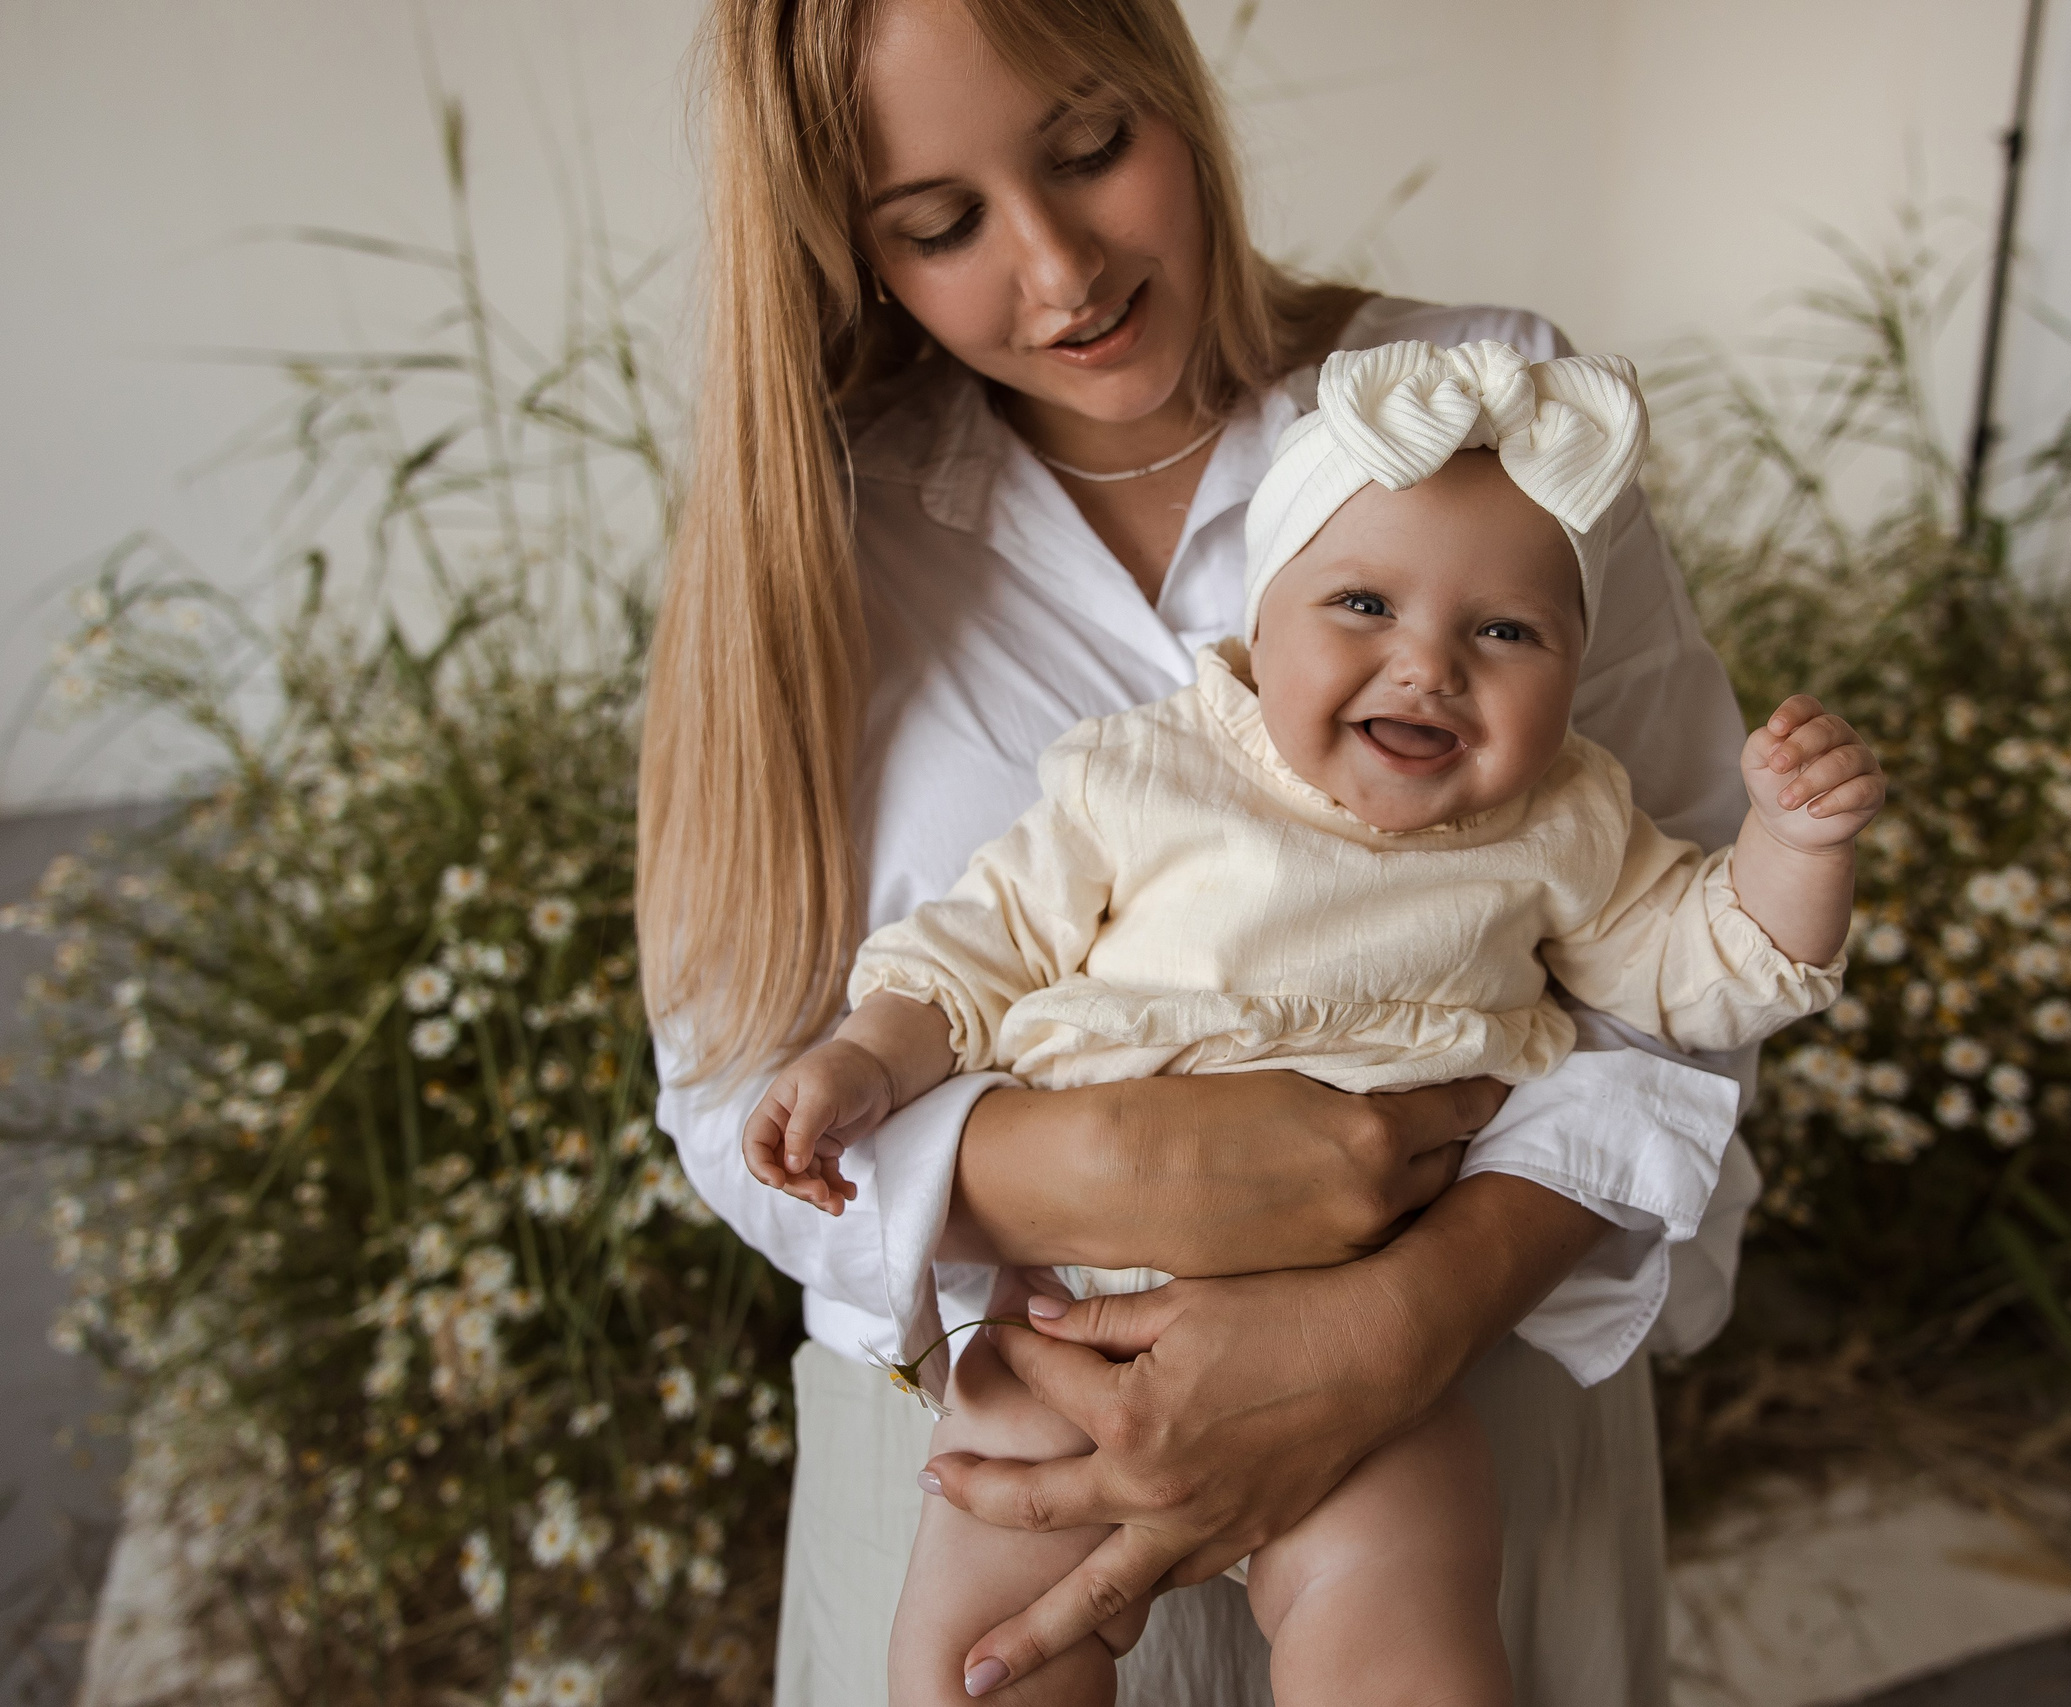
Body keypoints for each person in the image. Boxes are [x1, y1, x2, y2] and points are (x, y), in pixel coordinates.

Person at [639, 1, 1793, 1700]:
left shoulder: (1483, 425)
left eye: (1093, 145)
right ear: (851, 251)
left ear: (1176, 85)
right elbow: (733, 1091)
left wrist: (1403, 1316)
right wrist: (1086, 1165)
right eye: (941, 226)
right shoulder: (813, 541)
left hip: (1449, 1436)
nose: (1060, 272)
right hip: (999, 1451)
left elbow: (1676, 970)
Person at [738, 338, 1882, 1706]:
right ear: (1258, 624)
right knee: (979, 1658)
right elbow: (971, 956)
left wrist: (1798, 850)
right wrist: (863, 1060)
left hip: (1374, 1353)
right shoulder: (1143, 774)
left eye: (1506, 632)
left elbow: (1709, 970)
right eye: (1361, 604)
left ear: (1577, 669)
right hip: (1070, 1320)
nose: (1431, 667)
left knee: (1406, 1635)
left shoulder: (1568, 821)